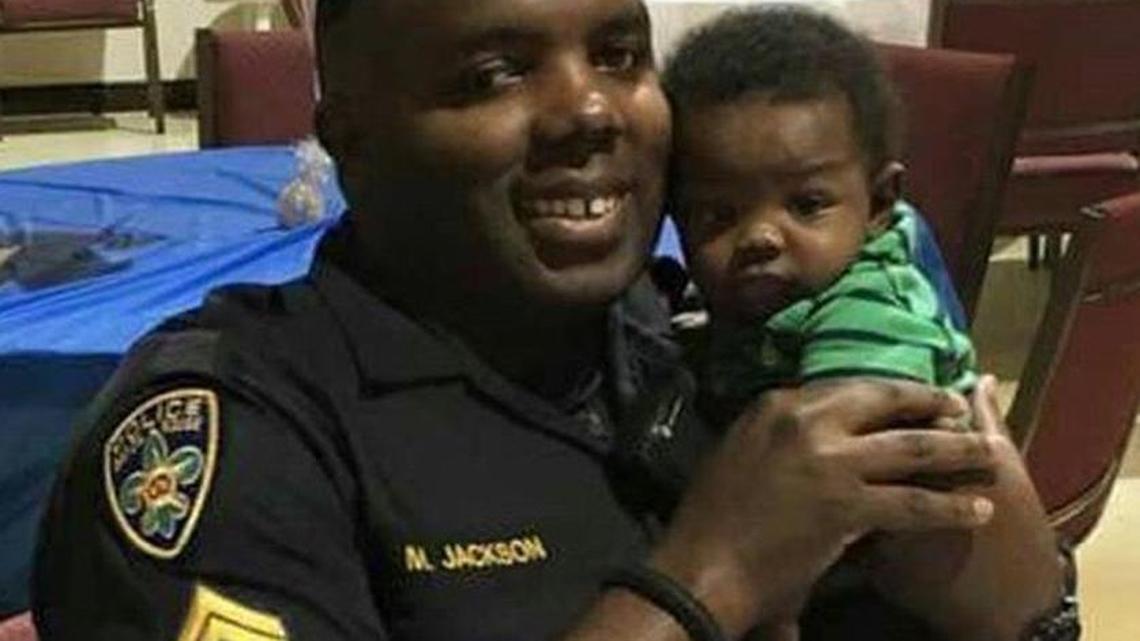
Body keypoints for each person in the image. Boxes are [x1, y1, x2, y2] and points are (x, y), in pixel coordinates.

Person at [32, 1, 1072, 640]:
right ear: (350, 134)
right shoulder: (252, 440)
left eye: (620, 52)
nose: (590, 110)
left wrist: (1016, 586)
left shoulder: (706, 346)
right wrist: (706, 576)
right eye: (494, 74)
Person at [662, 8, 977, 429]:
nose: (760, 237)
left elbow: (838, 466)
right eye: (719, 213)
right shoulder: (770, 300)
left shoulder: (868, 312)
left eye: (806, 205)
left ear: (879, 203)